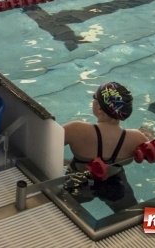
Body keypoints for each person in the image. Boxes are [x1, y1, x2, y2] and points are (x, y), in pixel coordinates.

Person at [63, 82, 150, 211]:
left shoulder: (76, 129)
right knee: (131, 214)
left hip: (79, 183)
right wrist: (151, 140)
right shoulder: (136, 138)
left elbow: (44, 147)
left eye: (94, 97)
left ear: (99, 108)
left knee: (61, 208)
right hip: (115, 186)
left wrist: (64, 162)